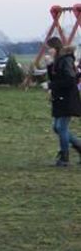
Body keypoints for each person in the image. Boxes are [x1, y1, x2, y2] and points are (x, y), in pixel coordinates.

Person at [44, 36, 81, 166]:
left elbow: (70, 80)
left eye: (50, 49)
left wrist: (50, 86)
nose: (48, 52)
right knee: (57, 127)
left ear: (56, 48)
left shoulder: (65, 60)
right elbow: (54, 77)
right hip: (59, 98)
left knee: (61, 127)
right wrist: (49, 66)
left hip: (67, 98)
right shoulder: (57, 61)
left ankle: (64, 158)